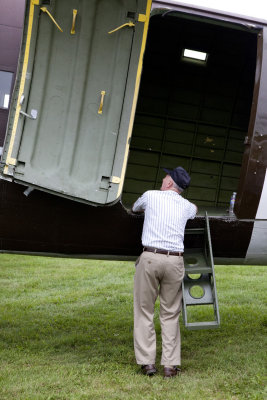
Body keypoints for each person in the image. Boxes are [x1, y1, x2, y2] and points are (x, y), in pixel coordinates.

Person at [132, 166, 197, 378]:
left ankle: (147, 363)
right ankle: (170, 365)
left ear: (169, 183)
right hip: (175, 260)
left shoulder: (151, 196)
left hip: (151, 257)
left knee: (144, 310)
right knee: (170, 313)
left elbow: (135, 208)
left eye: (165, 177)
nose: (162, 178)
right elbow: (194, 210)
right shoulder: (187, 206)